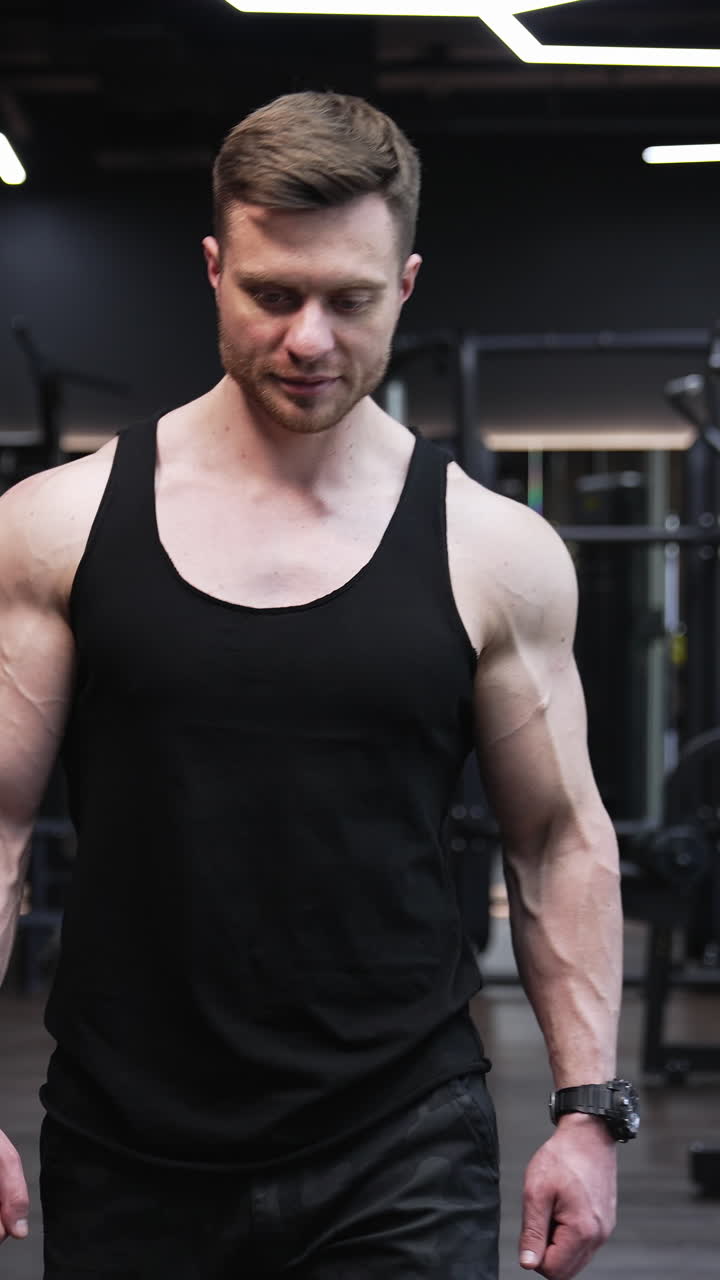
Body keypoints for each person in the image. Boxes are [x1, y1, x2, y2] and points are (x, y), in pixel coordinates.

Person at [0, 91, 631, 1280]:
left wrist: (589, 1110)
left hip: (400, 1140)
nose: (307, 339)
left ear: (405, 282)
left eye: (347, 298)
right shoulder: (57, 527)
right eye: (272, 293)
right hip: (130, 1140)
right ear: (212, 267)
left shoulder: (495, 551)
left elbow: (556, 836)